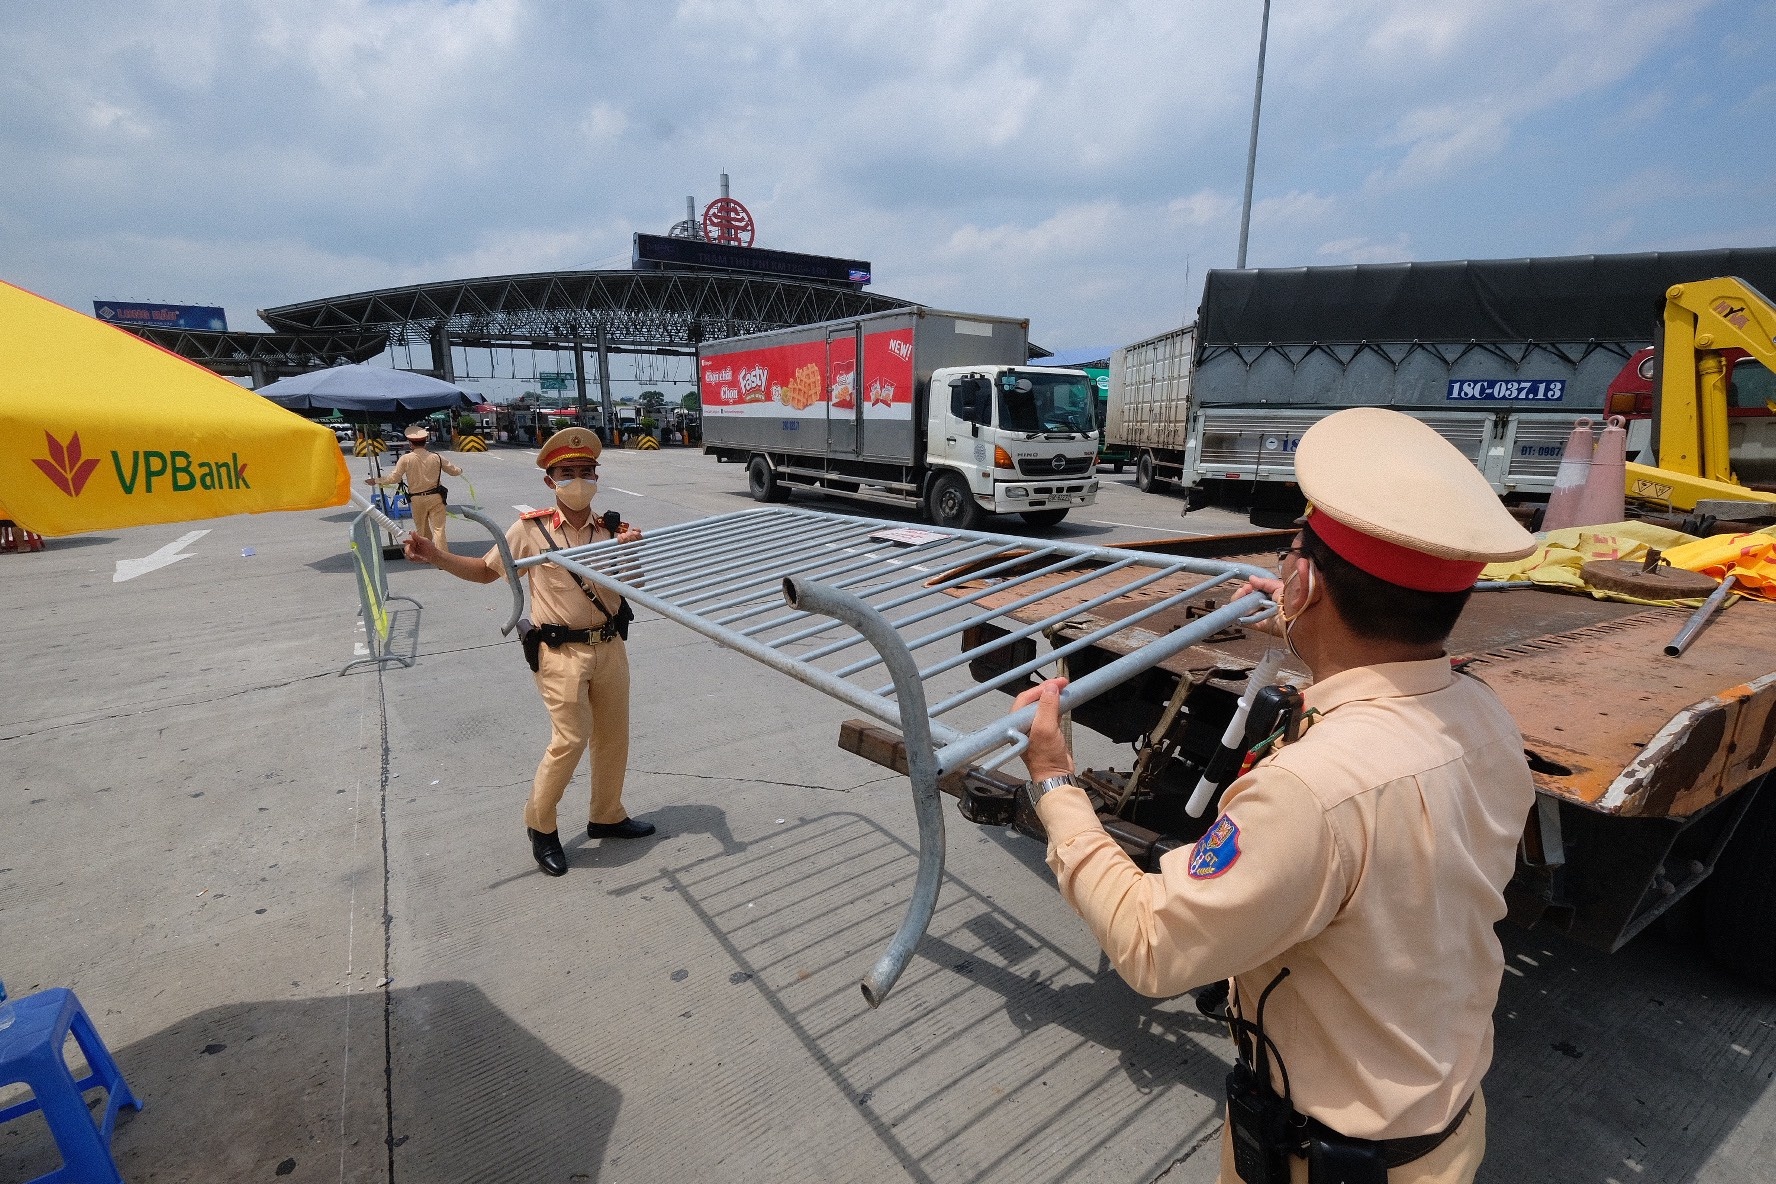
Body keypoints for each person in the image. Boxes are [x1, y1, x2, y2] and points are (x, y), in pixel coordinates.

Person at [1012, 407, 1538, 1184]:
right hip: (1442, 1136)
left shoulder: (1311, 792)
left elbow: (1153, 946)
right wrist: (1300, 617)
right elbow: (1367, 715)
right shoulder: (1483, 714)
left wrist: (1054, 777)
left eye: (1293, 552)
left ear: (1309, 581)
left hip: (1326, 1166)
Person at [402, 426, 655, 878]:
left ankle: (607, 814)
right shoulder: (529, 530)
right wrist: (436, 555)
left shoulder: (613, 527)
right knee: (571, 738)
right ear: (549, 481)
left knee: (614, 736)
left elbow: (634, 585)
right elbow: (484, 571)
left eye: (585, 471)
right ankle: (541, 826)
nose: (578, 480)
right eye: (567, 473)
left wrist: (630, 550)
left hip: (610, 645)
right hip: (560, 653)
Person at [366, 424, 462, 548]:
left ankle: (426, 555)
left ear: (410, 443)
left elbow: (394, 478)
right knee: (439, 529)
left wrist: (377, 480)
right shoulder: (436, 457)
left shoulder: (405, 459)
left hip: (417, 499)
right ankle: (442, 558)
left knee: (421, 530)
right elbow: (454, 471)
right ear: (425, 442)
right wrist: (460, 470)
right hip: (436, 497)